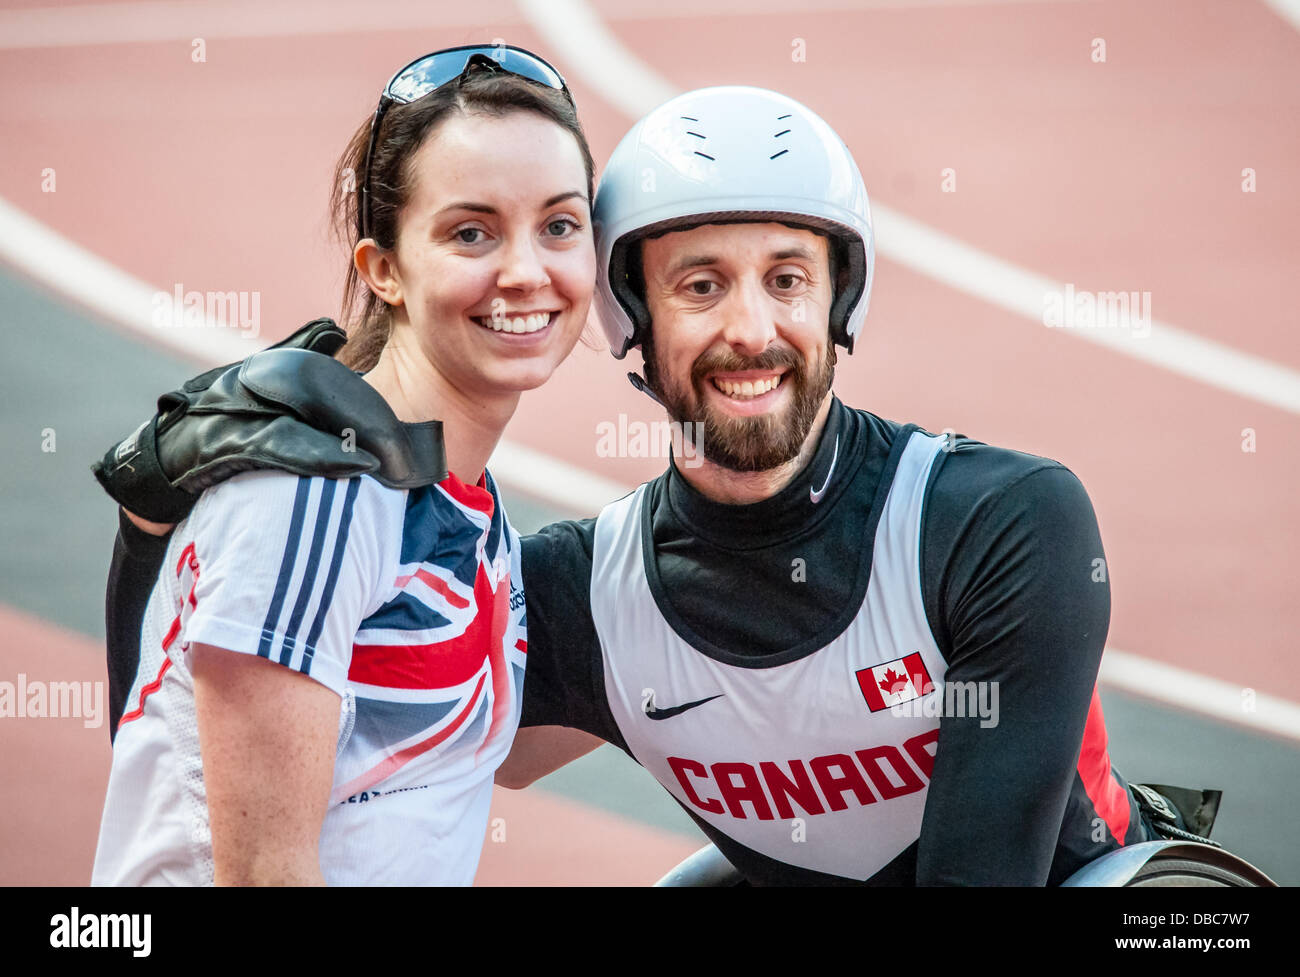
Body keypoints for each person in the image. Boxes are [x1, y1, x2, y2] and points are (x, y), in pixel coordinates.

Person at [99, 85, 1222, 886]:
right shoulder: (569, 589)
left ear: (839, 303)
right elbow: (195, 765)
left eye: (788, 277)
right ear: (631, 315)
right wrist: (154, 528)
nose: (749, 328)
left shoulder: (998, 521)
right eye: (698, 283)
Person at [89, 44, 597, 885]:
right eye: (472, 231)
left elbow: (485, 756)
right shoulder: (312, 493)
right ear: (385, 270)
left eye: (559, 225)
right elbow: (265, 874)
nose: (524, 271)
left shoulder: (462, 501)